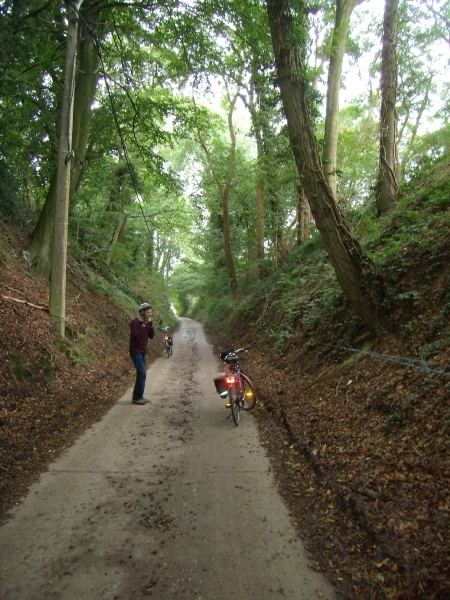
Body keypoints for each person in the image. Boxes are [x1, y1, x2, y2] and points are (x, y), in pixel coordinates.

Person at [129, 302, 155, 405]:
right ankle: (137, 397)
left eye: (150, 312)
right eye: (148, 312)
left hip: (143, 351)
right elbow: (136, 336)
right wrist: (143, 325)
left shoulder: (148, 322)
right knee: (142, 373)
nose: (149, 314)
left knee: (142, 374)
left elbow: (151, 336)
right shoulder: (135, 322)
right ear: (142, 312)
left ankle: (139, 396)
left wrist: (151, 325)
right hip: (135, 351)